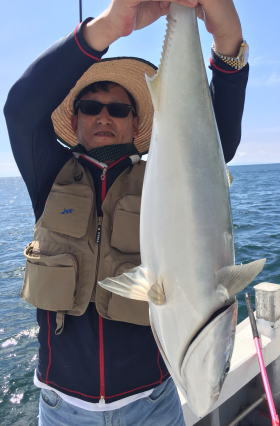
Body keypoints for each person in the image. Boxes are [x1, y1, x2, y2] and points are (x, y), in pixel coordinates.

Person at [4, 0, 249, 424]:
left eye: (118, 109)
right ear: (74, 120)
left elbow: (214, 147)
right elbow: (20, 108)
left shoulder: (163, 177)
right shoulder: (48, 173)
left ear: (137, 122)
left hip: (151, 404)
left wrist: (227, 47)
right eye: (90, 107)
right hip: (64, 409)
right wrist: (110, 26)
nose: (103, 116)